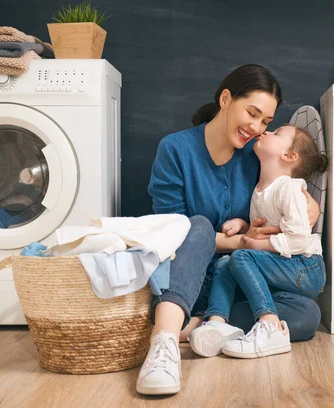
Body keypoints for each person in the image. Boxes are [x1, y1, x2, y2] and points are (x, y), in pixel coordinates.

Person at [136, 64, 322, 395]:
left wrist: (312, 205)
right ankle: (163, 343)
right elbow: (169, 230)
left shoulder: (256, 157)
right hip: (184, 276)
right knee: (197, 225)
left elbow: (286, 190)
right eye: (252, 113)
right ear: (226, 99)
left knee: (306, 315)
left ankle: (205, 324)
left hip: (233, 282)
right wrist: (241, 242)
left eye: (265, 122)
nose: (256, 128)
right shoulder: (176, 149)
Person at [188, 125, 328, 359]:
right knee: (225, 263)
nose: (267, 131)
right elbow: (264, 228)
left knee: (241, 256)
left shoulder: (290, 188)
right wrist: (243, 225)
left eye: (277, 133)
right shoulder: (261, 189)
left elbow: (298, 239)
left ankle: (270, 326)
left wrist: (254, 245)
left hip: (305, 266)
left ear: (289, 156)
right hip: (278, 267)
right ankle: (216, 323)